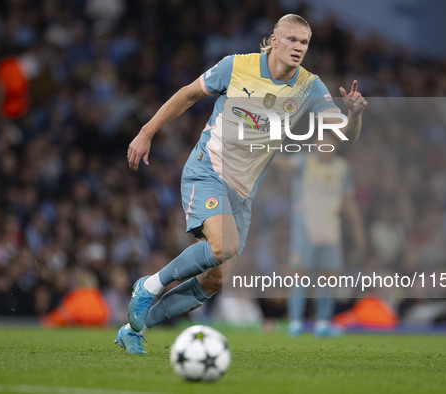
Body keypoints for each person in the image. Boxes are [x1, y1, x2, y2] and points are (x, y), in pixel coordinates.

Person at [115, 14, 367, 354]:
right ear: (274, 39)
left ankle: (134, 328)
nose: (298, 48)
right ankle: (149, 286)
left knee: (216, 278)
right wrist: (146, 132)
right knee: (223, 246)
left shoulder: (309, 86)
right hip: (208, 170)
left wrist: (354, 115)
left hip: (243, 193)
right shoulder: (235, 67)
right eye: (292, 40)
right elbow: (188, 95)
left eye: (304, 43)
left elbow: (343, 136)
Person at [283, 135, 366, 337]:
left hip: (330, 229)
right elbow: (283, 163)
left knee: (328, 276)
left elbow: (348, 199)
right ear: (315, 144)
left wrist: (357, 229)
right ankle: (295, 322)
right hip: (306, 228)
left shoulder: (341, 167)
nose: (325, 146)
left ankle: (323, 323)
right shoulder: (304, 161)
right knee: (300, 274)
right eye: (321, 141)